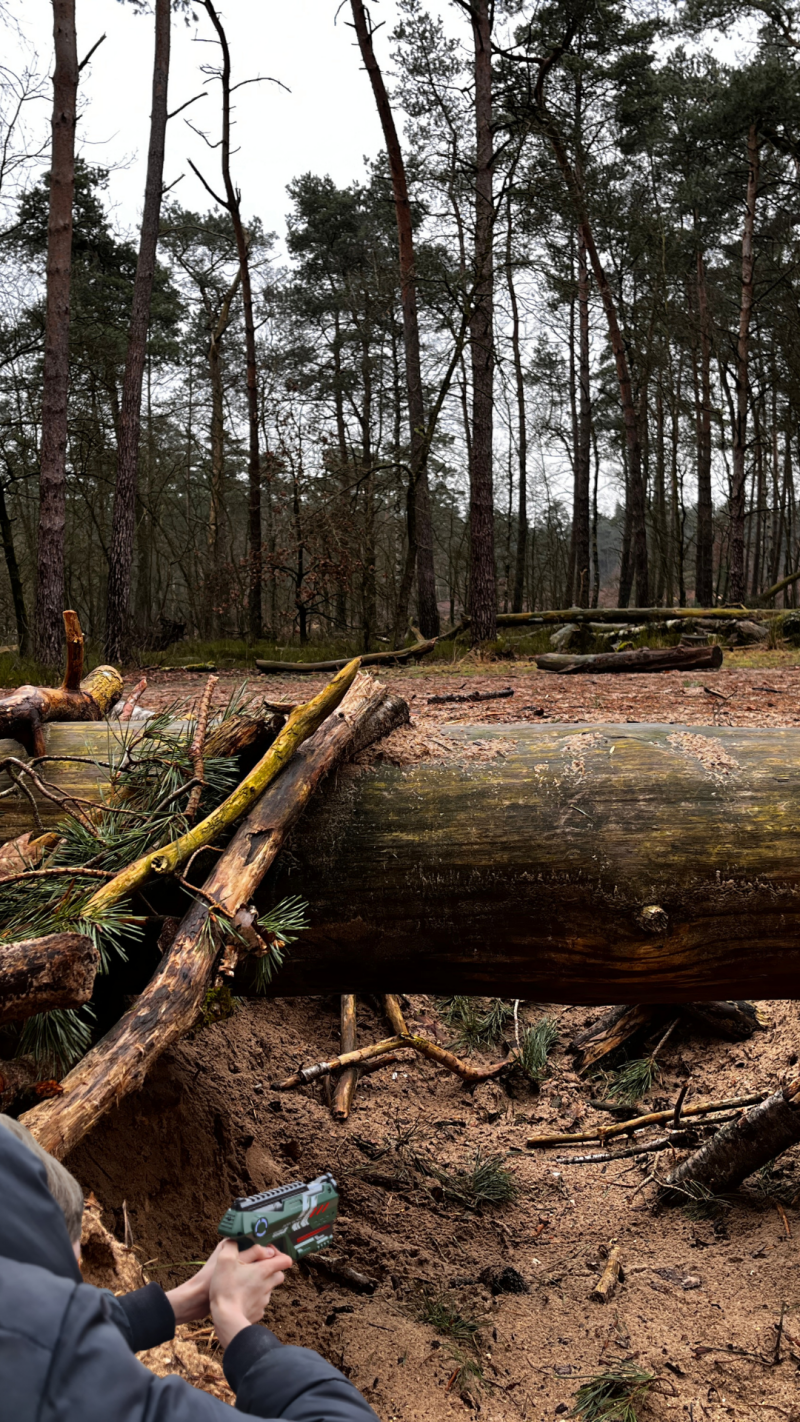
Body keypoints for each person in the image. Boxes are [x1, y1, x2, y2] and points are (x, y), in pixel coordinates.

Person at [0, 1115, 378, 1421]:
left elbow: (33, 1326)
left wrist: (183, 1300)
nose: (79, 1263)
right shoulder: (64, 1383)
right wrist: (241, 1330)